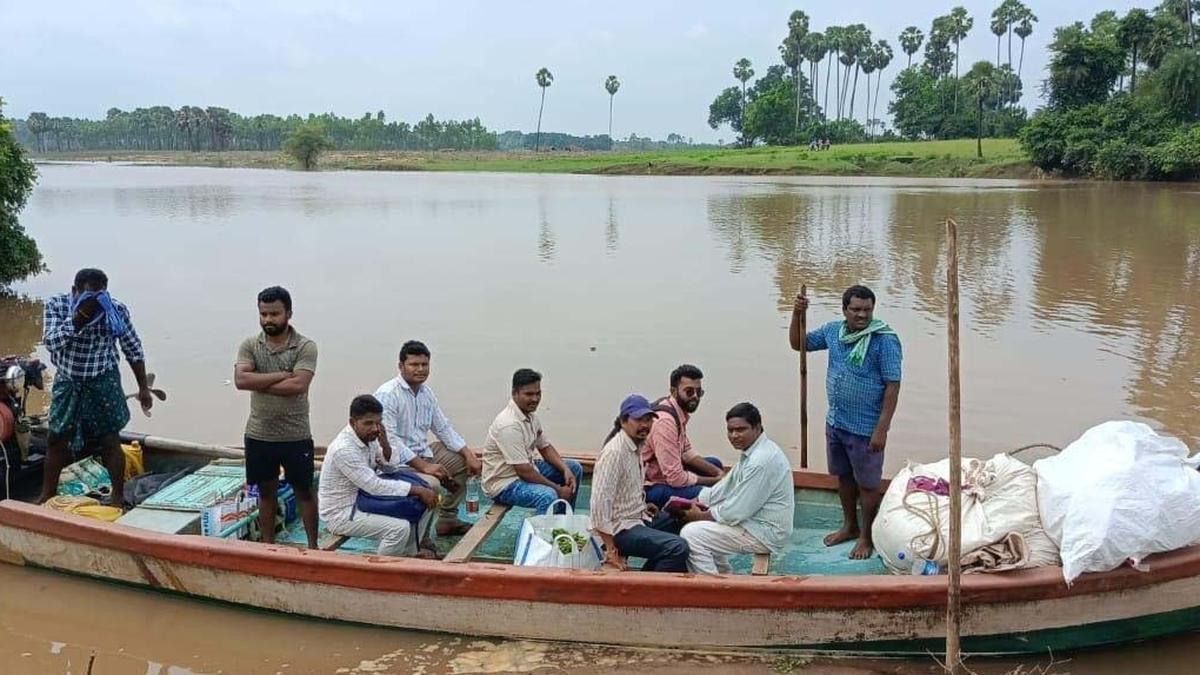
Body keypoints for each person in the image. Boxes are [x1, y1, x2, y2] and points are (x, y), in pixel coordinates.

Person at [790, 285, 901, 560]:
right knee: (843, 476)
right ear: (844, 311)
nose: (862, 315)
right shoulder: (833, 332)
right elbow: (798, 344)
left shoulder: (884, 340)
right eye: (856, 310)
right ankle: (849, 526)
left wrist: (882, 429)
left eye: (867, 310)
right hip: (837, 421)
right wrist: (796, 313)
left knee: (868, 484)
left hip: (866, 428)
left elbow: (893, 386)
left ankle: (866, 536)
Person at [38, 268, 155, 504]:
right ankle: (46, 494)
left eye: (100, 296)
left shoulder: (114, 309)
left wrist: (143, 388)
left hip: (102, 378)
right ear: (75, 291)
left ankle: (118, 496)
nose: (96, 302)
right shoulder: (57, 305)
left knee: (110, 438)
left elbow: (133, 348)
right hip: (69, 380)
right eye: (89, 296)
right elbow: (51, 343)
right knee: (57, 438)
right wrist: (79, 316)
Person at [234, 286, 319, 548]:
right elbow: (240, 380)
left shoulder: (305, 346)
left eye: (274, 314)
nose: (268, 320)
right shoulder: (250, 345)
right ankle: (268, 546)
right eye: (264, 314)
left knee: (304, 492)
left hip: (296, 434)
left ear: (289, 314)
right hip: (259, 433)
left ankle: (314, 547)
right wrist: (282, 374)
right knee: (266, 493)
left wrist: (258, 381)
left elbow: (298, 386)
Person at [374, 340, 482, 537]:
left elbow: (443, 427)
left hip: (423, 455)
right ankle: (422, 539)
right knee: (431, 481)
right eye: (414, 365)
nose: (420, 369)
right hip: (395, 463)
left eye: (424, 365)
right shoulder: (388, 394)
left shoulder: (426, 393)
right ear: (401, 366)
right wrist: (424, 466)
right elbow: (389, 440)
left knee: (461, 461)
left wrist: (468, 454)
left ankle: (447, 518)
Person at [677, 403, 794, 575]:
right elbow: (726, 487)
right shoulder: (753, 451)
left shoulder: (760, 461)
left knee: (692, 533)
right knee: (708, 522)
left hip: (766, 532)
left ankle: (711, 588)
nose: (734, 435)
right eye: (730, 430)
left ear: (757, 428)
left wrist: (700, 515)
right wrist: (696, 501)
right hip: (754, 522)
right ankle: (724, 574)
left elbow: (736, 512)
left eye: (740, 430)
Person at [319, 395, 438, 557]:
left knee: (428, 495)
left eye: (378, 422)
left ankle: (410, 554)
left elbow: (390, 468)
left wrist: (386, 444)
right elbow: (374, 485)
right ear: (353, 422)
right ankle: (382, 571)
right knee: (398, 528)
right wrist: (417, 490)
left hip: (365, 498)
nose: (375, 428)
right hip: (342, 512)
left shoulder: (370, 436)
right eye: (368, 423)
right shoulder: (344, 449)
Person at [590, 395, 690, 573]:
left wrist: (642, 505)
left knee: (683, 521)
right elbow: (599, 504)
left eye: (648, 420)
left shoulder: (636, 447)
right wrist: (611, 548)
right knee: (677, 547)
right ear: (623, 421)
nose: (645, 425)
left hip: (636, 517)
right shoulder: (614, 453)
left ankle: (648, 575)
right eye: (638, 420)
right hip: (619, 529)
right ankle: (649, 589)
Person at [481, 368, 584, 513]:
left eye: (538, 393)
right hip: (504, 483)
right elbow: (524, 472)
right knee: (547, 496)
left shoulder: (530, 415)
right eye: (529, 394)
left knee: (574, 468)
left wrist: (565, 469)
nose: (535, 399)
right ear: (514, 393)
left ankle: (563, 521)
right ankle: (542, 534)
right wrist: (558, 489)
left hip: (526, 468)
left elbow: (545, 447)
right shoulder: (509, 425)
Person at [641, 364, 724, 508]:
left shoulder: (676, 411)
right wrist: (716, 481)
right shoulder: (665, 422)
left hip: (664, 474)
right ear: (673, 391)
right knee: (708, 494)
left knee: (714, 463)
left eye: (699, 392)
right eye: (689, 392)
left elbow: (686, 453)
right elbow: (675, 478)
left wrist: (718, 473)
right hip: (650, 487)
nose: (695, 397)